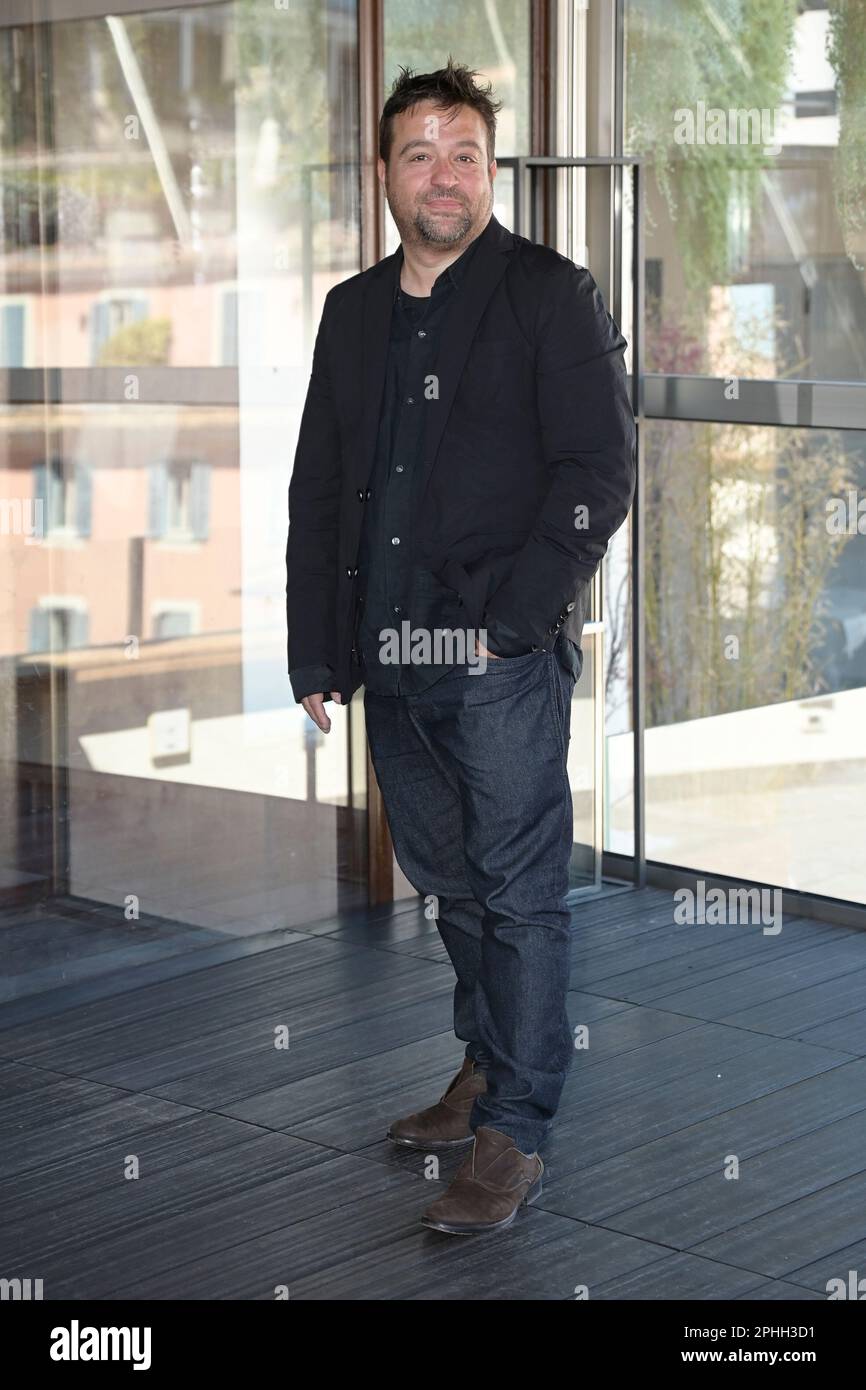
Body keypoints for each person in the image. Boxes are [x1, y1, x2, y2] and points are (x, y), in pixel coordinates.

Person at [286, 58, 636, 1235]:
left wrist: (508, 628)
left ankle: (513, 1132)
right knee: (451, 886)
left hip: (494, 664)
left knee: (522, 897)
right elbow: (321, 490)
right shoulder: (353, 312)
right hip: (388, 660)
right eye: (419, 153)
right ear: (385, 171)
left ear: (491, 170)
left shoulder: (548, 293)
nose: (443, 174)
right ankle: (486, 1065)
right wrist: (315, 651)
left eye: (465, 153)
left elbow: (597, 477)